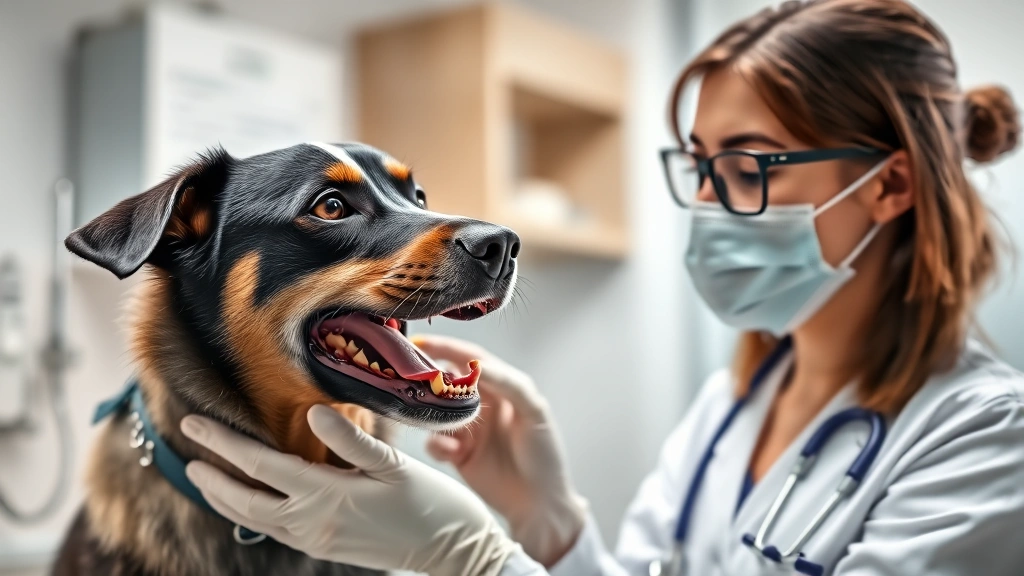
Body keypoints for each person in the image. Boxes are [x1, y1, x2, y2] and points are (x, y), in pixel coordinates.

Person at [179, 0, 1024, 574]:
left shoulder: (987, 439)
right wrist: (555, 529)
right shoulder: (728, 410)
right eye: (696, 166)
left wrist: (473, 556)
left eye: (745, 165)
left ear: (889, 185)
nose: (702, 202)